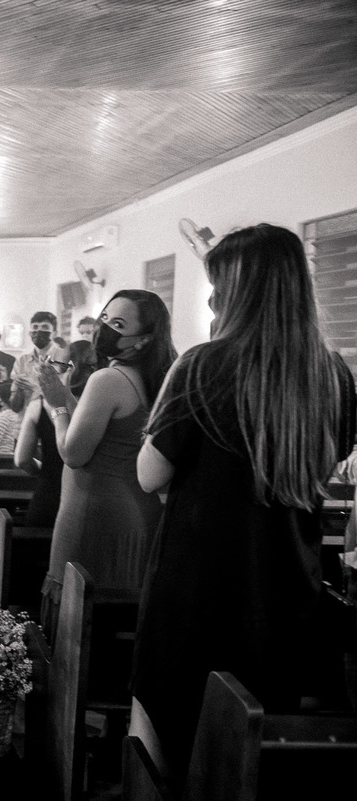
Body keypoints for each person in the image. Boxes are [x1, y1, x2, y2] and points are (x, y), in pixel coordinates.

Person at [131, 224, 356, 784]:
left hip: (197, 586)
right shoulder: (332, 375)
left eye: (217, 286)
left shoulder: (203, 365)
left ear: (237, 289)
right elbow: (323, 467)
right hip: (285, 591)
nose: (212, 299)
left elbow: (150, 472)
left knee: (169, 744)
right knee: (250, 754)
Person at [36, 290, 175, 625]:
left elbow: (73, 453)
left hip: (93, 513)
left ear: (143, 339)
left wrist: (55, 406)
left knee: (77, 623)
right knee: (117, 620)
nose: (105, 329)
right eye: (104, 318)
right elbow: (102, 431)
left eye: (118, 324)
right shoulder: (153, 377)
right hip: (136, 513)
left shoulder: (107, 379)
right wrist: (65, 396)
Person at [15, 340, 99, 527]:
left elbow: (21, 460)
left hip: (48, 497)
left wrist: (45, 471)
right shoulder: (100, 406)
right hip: (88, 500)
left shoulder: (39, 405)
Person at [9, 311, 68, 412]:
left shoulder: (64, 358)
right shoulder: (22, 361)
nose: (39, 331)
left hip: (55, 417)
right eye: (35, 327)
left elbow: (66, 398)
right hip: (26, 416)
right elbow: (14, 406)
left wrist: (35, 388)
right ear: (29, 333)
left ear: (55, 333)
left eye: (45, 327)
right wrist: (18, 389)